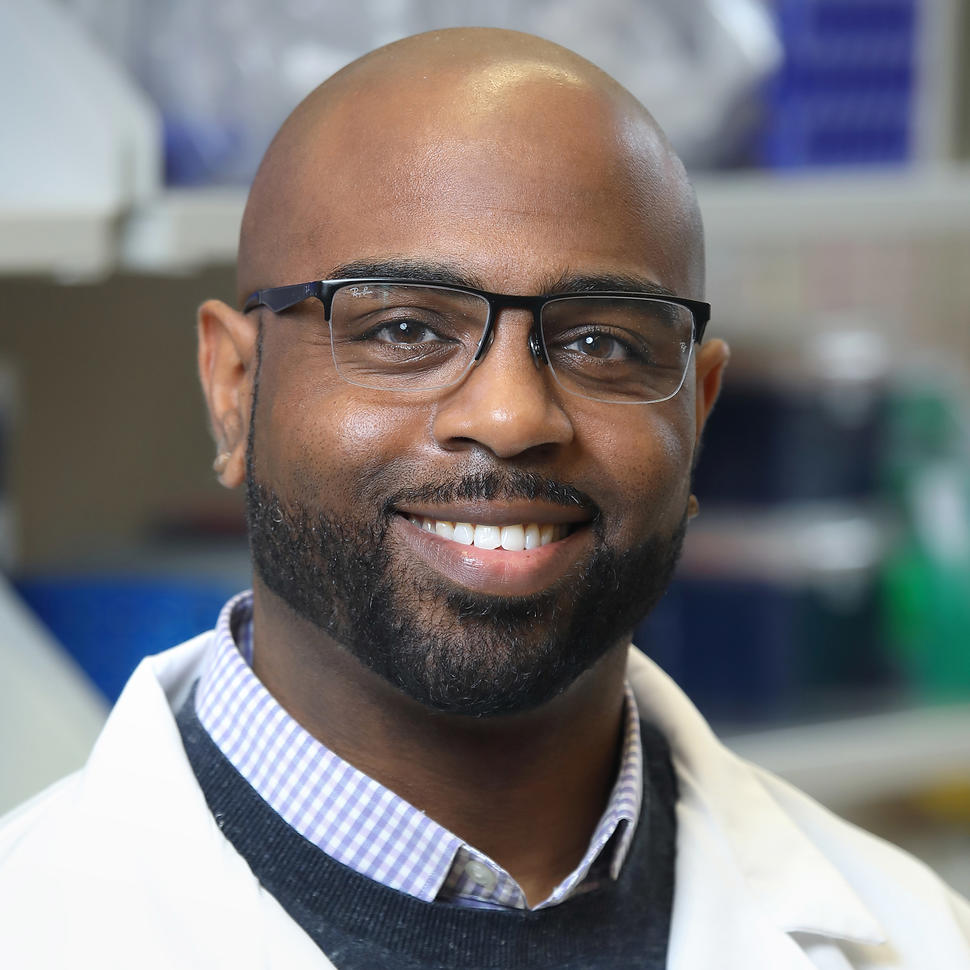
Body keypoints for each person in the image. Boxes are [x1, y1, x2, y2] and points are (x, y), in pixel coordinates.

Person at [1, 27, 968, 970]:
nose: (510, 415)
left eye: (604, 343)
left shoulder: (921, 937)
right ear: (232, 389)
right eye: (406, 327)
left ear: (699, 411)